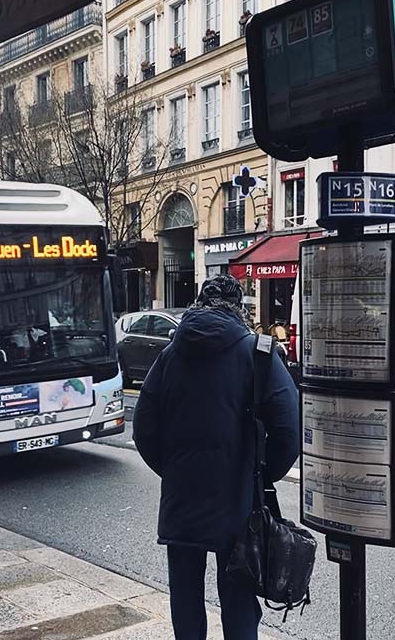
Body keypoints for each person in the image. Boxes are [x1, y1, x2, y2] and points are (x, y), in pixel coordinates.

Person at [133, 274, 299, 640]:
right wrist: (261, 472)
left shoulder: (169, 355)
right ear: (238, 308)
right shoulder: (258, 353)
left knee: (185, 595)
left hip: (181, 498)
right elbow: (289, 430)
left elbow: (143, 429)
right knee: (238, 597)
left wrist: (174, 470)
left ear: (197, 303)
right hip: (237, 499)